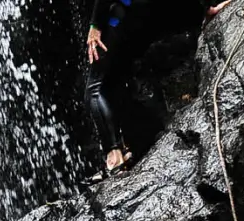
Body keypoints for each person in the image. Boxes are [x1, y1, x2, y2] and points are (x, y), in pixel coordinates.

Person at [84, 0, 232, 174]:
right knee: (117, 77)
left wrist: (95, 25)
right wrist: (205, 10)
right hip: (151, 18)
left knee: (95, 89)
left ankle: (114, 155)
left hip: (124, 16)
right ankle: (129, 149)